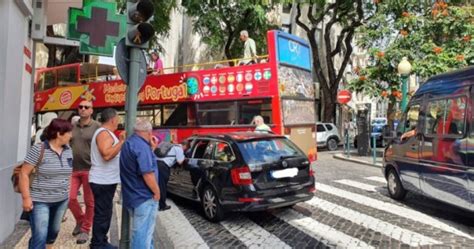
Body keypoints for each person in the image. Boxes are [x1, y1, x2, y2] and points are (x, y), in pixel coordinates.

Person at [19, 118, 73, 249]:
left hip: (61, 200)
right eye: (69, 132)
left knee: (52, 233)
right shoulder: (39, 149)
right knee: (40, 236)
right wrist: (26, 198)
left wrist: (68, 191)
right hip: (40, 200)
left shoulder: (68, 150)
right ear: (59, 134)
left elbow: (68, 172)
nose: (71, 135)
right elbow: (23, 173)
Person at [120, 119, 160, 249]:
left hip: (132, 196)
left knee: (145, 233)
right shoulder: (142, 148)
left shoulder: (129, 143)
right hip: (144, 197)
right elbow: (147, 173)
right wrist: (157, 191)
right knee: (142, 235)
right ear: (149, 132)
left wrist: (151, 149)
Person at [89, 108, 125, 249]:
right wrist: (121, 142)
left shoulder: (105, 133)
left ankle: (101, 240)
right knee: (102, 214)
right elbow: (106, 154)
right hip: (102, 180)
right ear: (112, 119)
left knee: (104, 212)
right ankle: (98, 244)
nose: (119, 122)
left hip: (105, 180)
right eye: (118, 119)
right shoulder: (104, 133)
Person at [69, 101, 101, 244]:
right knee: (69, 198)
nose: (82, 109)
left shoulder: (97, 127)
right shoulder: (72, 126)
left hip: (90, 169)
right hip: (73, 169)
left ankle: (85, 229)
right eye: (80, 107)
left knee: (90, 202)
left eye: (86, 107)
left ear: (91, 111)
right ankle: (81, 220)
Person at [155, 139, 186, 211]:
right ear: (184, 146)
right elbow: (180, 161)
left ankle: (156, 203)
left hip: (156, 163)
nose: (185, 150)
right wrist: (184, 156)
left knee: (158, 184)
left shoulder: (172, 146)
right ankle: (162, 206)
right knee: (162, 186)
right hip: (163, 166)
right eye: (186, 149)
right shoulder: (179, 148)